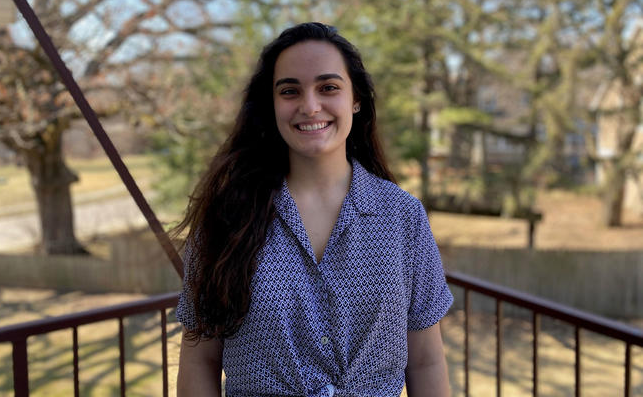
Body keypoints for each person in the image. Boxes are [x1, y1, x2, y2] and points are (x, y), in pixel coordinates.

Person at [175, 22, 454, 396]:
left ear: (356, 99)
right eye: (289, 91)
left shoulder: (403, 218)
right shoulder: (225, 218)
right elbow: (199, 360)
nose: (309, 106)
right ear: (271, 105)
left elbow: (426, 361)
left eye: (328, 88)